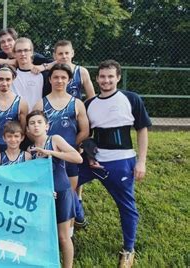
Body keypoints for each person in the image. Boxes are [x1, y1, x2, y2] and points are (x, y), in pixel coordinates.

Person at [78, 60, 151, 268]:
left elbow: (142, 130)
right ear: (97, 78)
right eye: (102, 76)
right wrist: (89, 154)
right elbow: (86, 135)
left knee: (126, 206)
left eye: (111, 76)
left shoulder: (130, 99)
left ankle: (129, 249)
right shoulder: (89, 103)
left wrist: (142, 161)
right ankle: (79, 216)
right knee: (66, 183)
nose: (106, 80)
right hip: (93, 161)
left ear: (118, 77)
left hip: (121, 162)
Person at [33, 63, 89, 229]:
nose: (59, 80)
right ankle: (48, 232)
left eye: (63, 77)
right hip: (46, 161)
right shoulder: (40, 104)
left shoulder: (77, 103)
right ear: (49, 79)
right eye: (56, 77)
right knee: (46, 197)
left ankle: (69, 233)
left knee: (69, 196)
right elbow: (33, 131)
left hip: (68, 159)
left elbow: (85, 130)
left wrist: (69, 147)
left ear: (69, 80)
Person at [26, 110, 83, 268]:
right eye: (32, 123)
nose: (36, 126)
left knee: (63, 236)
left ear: (47, 126)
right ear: (28, 129)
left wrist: (50, 153)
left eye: (39, 122)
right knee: (42, 235)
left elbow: (77, 158)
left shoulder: (55, 140)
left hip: (62, 192)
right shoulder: (30, 150)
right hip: (44, 195)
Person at [12, 37, 46, 112]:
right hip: (17, 119)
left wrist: (44, 66)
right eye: (19, 51)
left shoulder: (43, 74)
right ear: (14, 54)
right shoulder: (11, 76)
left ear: (31, 52)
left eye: (26, 50)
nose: (23, 54)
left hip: (36, 119)